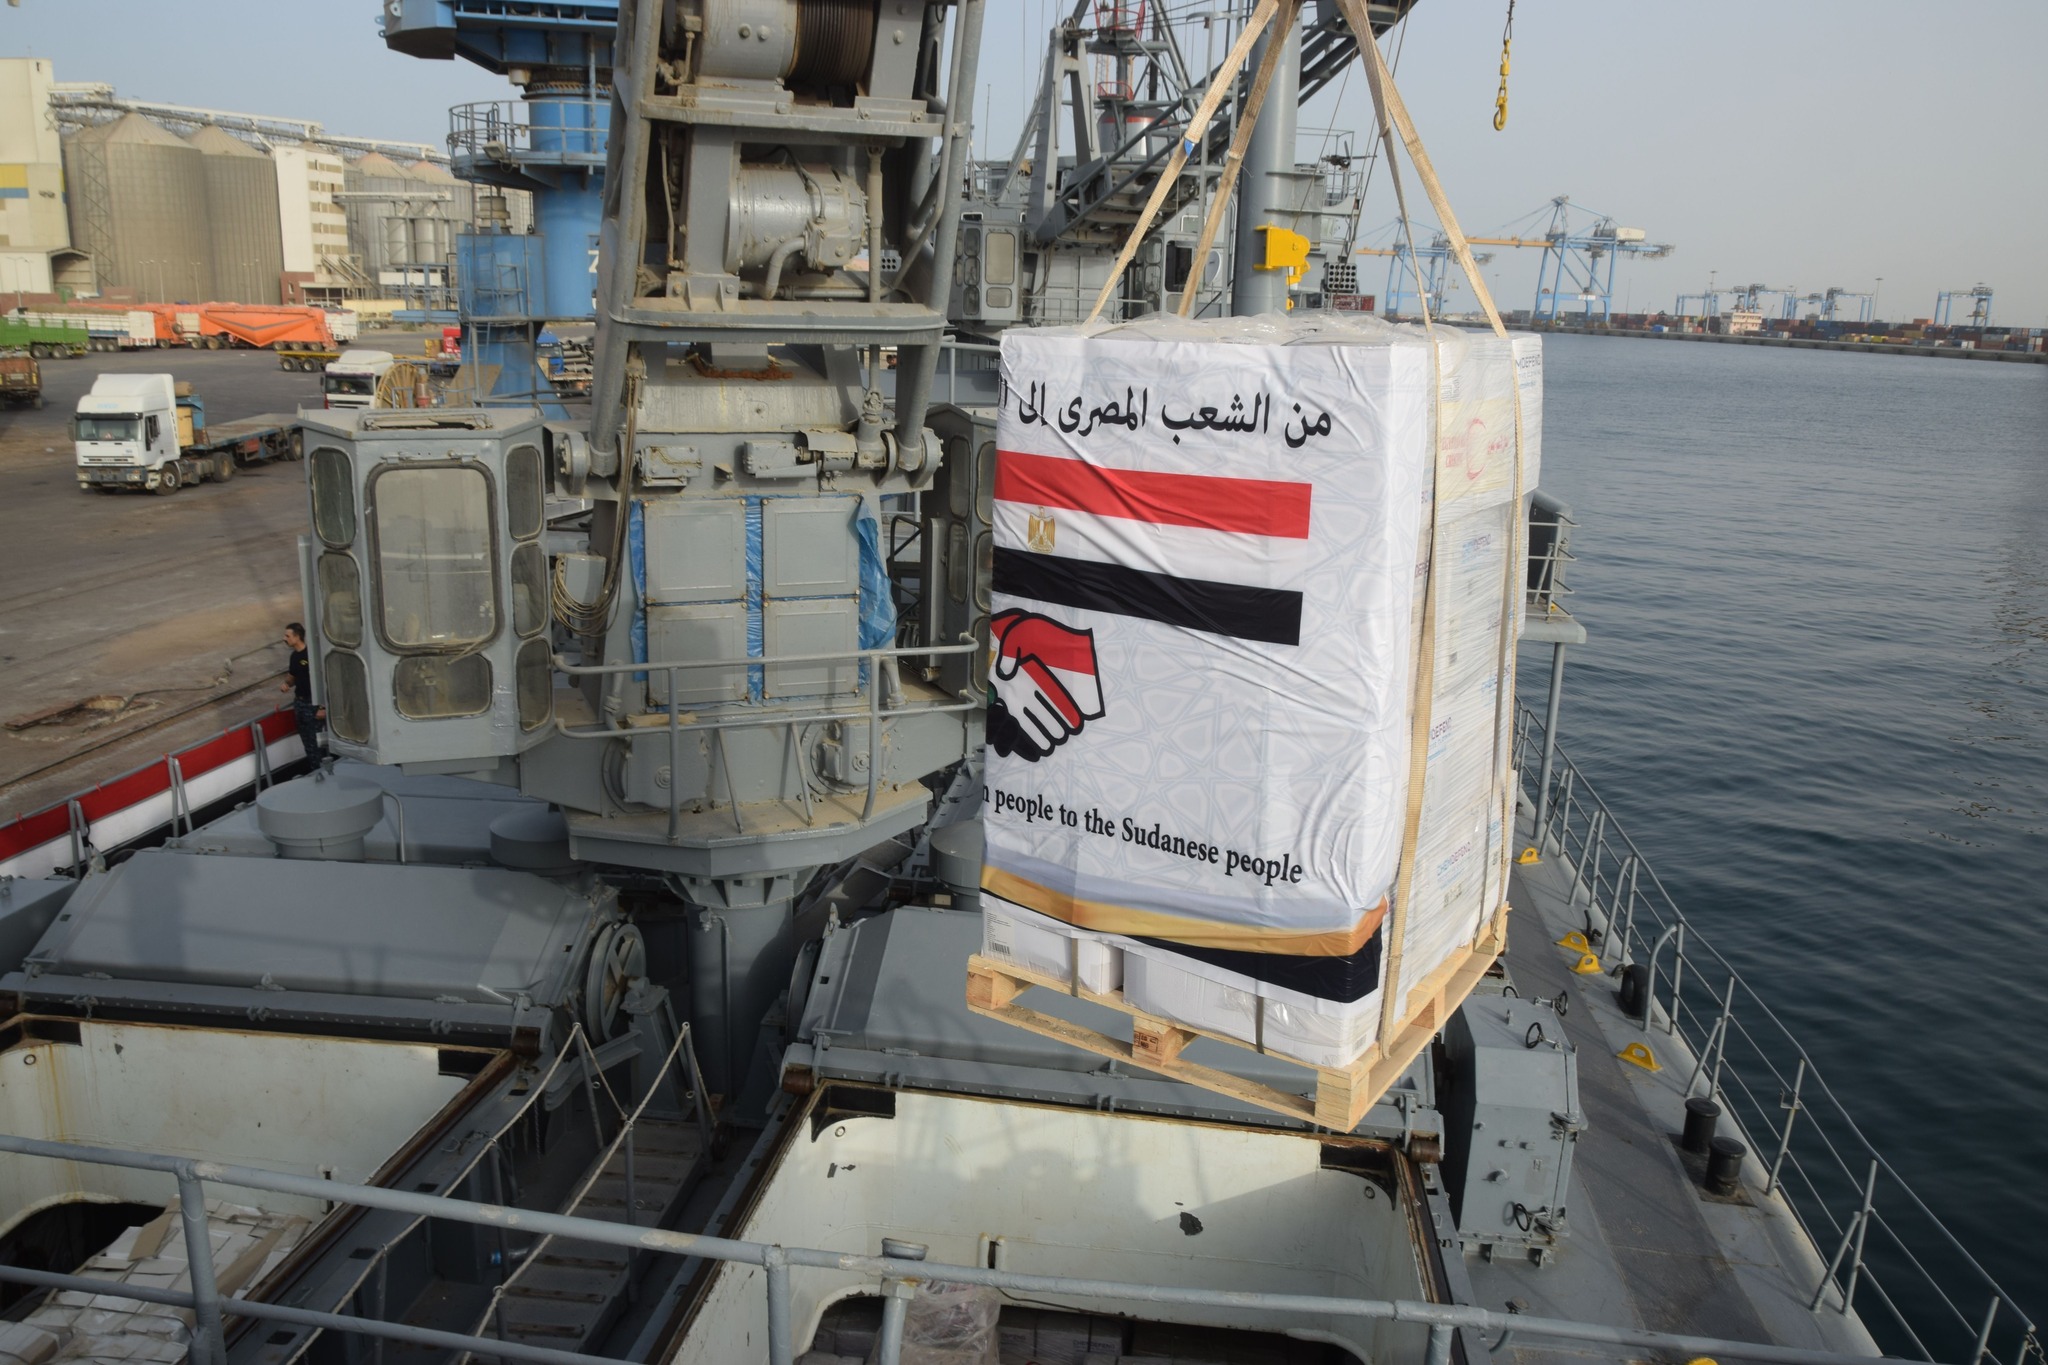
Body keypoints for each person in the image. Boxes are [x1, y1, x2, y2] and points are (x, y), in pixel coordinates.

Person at [280, 623, 326, 762]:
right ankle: (314, 767)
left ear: (297, 636)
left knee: (317, 742)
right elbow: (292, 677)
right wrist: (287, 684)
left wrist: (323, 707)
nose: (284, 639)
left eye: (287, 636)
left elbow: (324, 680)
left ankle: (323, 768)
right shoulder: (294, 656)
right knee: (307, 743)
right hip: (300, 703)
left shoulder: (312, 655)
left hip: (313, 704)